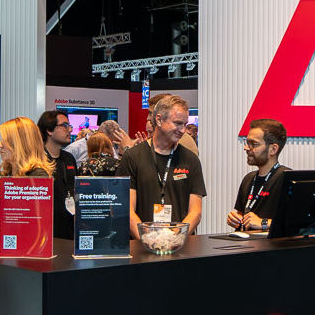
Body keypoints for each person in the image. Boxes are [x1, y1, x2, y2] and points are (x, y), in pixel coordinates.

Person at [118, 94, 206, 238]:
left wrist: (175, 238)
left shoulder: (191, 160)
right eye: (177, 123)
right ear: (158, 120)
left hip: (180, 246)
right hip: (142, 246)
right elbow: (127, 209)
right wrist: (147, 240)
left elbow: (195, 212)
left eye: (184, 124)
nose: (183, 130)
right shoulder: (133, 157)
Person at [226, 119, 289, 233]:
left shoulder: (286, 178)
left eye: (254, 144)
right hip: (246, 247)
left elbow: (297, 223)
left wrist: (263, 223)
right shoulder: (248, 179)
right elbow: (242, 214)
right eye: (247, 143)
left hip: (273, 248)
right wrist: (236, 219)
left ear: (273, 149)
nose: (246, 148)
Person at [38, 110, 78, 240]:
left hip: (70, 230)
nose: (70, 130)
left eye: (69, 126)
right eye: (64, 126)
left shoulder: (69, 158)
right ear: (49, 131)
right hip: (46, 232)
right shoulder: (38, 161)